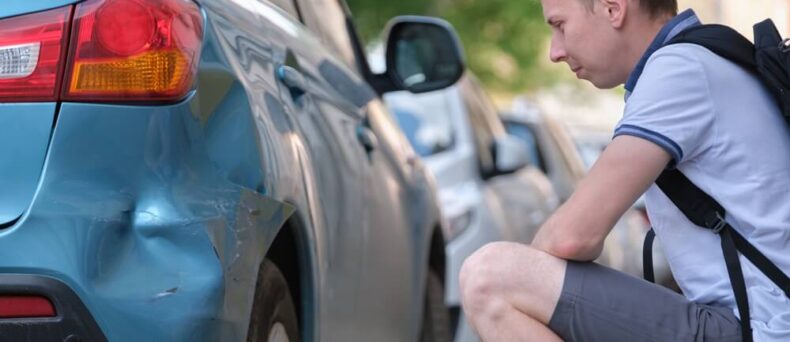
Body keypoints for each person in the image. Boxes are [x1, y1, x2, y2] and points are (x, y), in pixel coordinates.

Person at [458, 0, 790, 341]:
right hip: (755, 322)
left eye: (560, 25)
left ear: (613, 8)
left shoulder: (678, 69)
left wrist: (534, 277)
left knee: (490, 279)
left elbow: (571, 238)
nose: (555, 51)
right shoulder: (706, 57)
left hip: (762, 329)